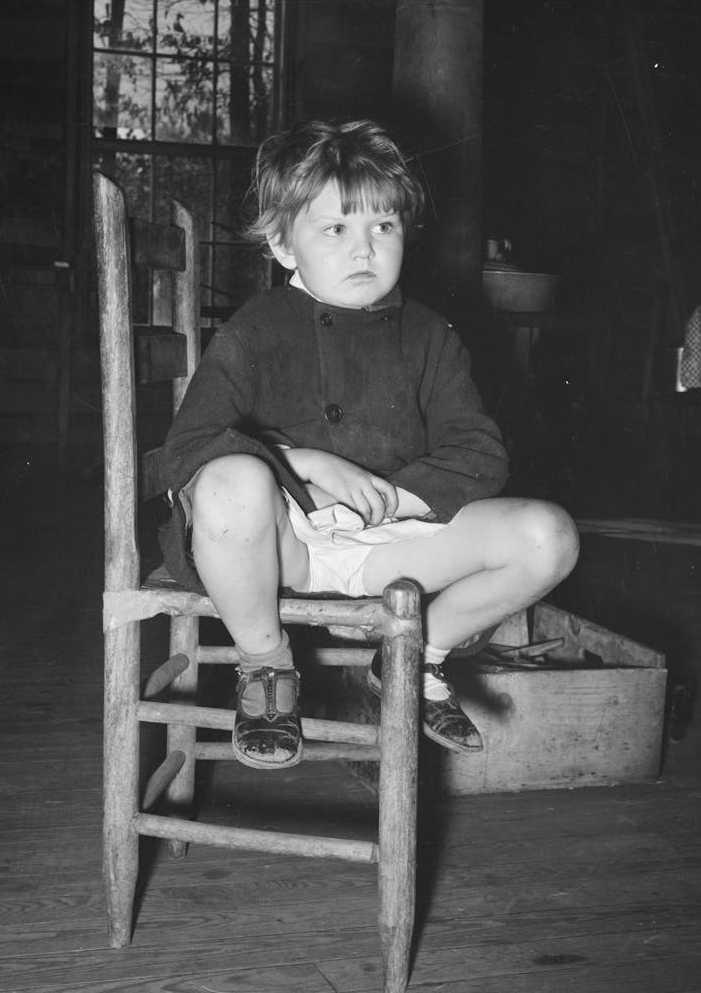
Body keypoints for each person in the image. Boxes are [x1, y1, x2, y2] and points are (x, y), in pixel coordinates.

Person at [160, 118, 579, 771]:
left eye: (382, 227)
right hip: (280, 547)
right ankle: (266, 666)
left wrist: (401, 499)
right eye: (336, 229)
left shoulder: (429, 333)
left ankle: (416, 654)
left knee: (548, 536)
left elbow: (479, 450)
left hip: (395, 548)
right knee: (228, 481)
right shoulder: (258, 327)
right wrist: (295, 462)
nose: (364, 250)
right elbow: (186, 445)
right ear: (282, 243)